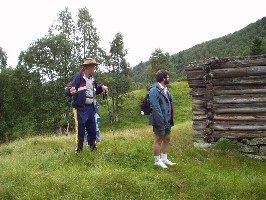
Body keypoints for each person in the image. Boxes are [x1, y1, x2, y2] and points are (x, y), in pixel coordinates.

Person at [65, 58, 108, 152]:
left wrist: (102, 87)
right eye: (94, 65)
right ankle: (78, 151)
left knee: (92, 129)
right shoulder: (79, 76)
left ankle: (93, 149)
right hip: (80, 108)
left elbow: (96, 89)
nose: (95, 67)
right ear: (88, 66)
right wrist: (70, 91)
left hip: (91, 107)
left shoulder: (92, 77)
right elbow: (68, 88)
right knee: (80, 131)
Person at [148, 69, 175, 168]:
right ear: (164, 78)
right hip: (159, 120)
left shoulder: (165, 89)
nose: (169, 78)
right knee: (158, 140)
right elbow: (155, 107)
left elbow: (170, 103)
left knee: (167, 138)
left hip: (167, 119)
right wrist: (160, 122)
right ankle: (157, 160)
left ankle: (164, 158)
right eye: (167, 77)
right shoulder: (154, 90)